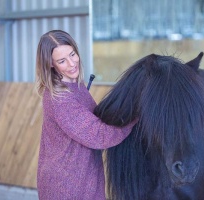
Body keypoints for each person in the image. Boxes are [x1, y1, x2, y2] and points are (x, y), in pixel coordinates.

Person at [35, 30, 136, 200]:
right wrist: (135, 117)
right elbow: (99, 135)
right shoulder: (61, 99)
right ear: (51, 64)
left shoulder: (75, 85)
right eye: (62, 61)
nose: (71, 63)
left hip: (82, 176)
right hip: (67, 185)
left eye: (72, 54)